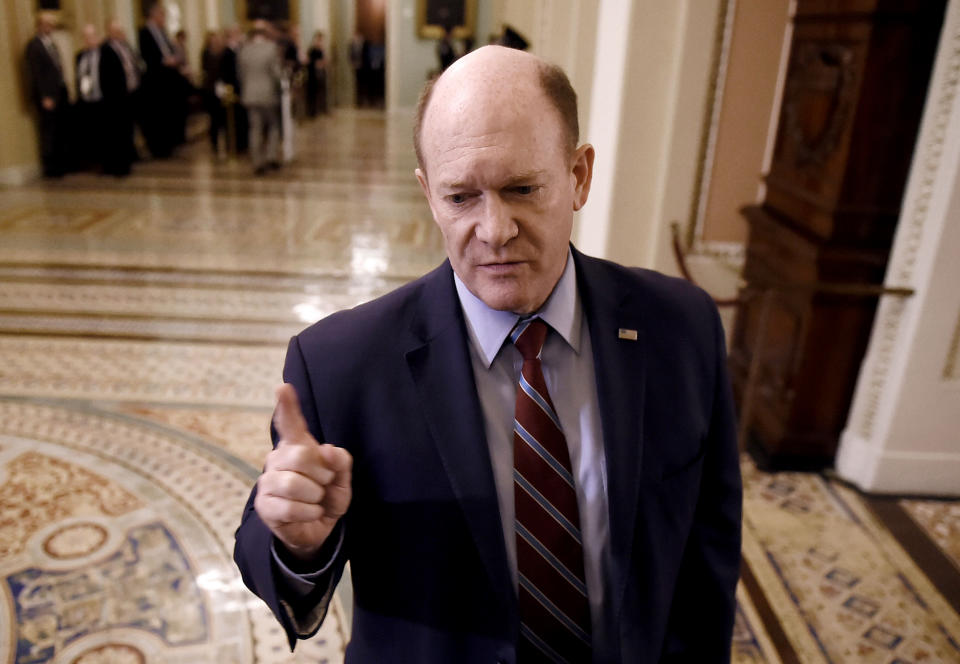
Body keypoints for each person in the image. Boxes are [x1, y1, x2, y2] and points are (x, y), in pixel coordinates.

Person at [234, 46, 742, 663]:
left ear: (579, 176)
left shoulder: (680, 328)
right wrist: (299, 545)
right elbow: (269, 552)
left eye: (521, 188)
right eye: (461, 198)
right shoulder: (342, 362)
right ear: (428, 194)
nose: (494, 228)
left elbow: (707, 556)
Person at [24, 11, 69, 177]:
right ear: (39, 26)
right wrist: (45, 96)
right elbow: (36, 74)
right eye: (46, 24)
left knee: (60, 129)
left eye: (52, 24)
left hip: (59, 91)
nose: (50, 27)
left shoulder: (52, 44)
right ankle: (51, 168)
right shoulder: (34, 46)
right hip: (47, 96)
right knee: (49, 131)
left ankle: (62, 163)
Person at [237, 20, 282, 175]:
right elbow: (276, 73)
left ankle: (257, 162)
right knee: (273, 126)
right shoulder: (271, 48)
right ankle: (270, 156)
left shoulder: (245, 50)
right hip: (267, 93)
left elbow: (241, 74)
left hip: (250, 94)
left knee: (255, 128)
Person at [138, 2, 182, 157]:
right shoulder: (144, 32)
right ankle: (158, 148)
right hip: (155, 81)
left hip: (167, 79)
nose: (164, 18)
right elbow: (147, 56)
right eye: (162, 14)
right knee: (156, 117)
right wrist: (164, 61)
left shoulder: (163, 32)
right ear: (154, 15)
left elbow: (168, 50)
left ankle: (169, 144)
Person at [100, 18, 141, 176]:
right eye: (116, 31)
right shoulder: (105, 49)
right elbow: (106, 77)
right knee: (118, 132)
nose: (120, 34)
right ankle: (120, 165)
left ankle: (130, 157)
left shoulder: (126, 47)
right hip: (116, 98)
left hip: (130, 94)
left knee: (129, 129)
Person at [74, 23, 104, 172]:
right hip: (88, 100)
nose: (89, 40)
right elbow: (82, 77)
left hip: (103, 98)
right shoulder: (80, 56)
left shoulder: (105, 54)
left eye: (91, 36)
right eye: (86, 37)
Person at [306, 31, 328, 117]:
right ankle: (312, 111)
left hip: (321, 73)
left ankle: (322, 109)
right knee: (313, 94)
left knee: (322, 92)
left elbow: (325, 61)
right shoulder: (312, 50)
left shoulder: (322, 50)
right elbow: (309, 62)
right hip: (313, 75)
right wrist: (316, 63)